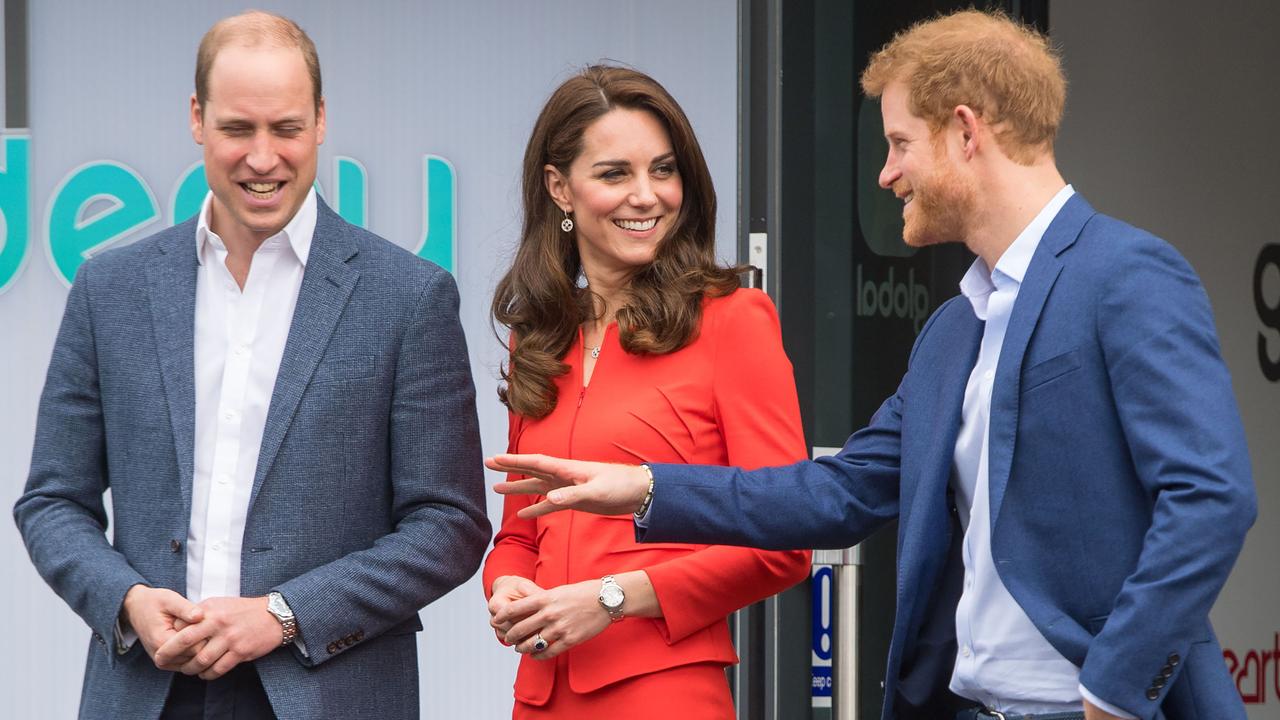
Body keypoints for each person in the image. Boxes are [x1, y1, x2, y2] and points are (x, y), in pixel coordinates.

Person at [487, 12, 1256, 720]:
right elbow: (841, 491)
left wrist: (1116, 688)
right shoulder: (955, 328)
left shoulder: (1127, 275)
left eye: (897, 143)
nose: (886, 175)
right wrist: (649, 488)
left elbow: (1211, 498)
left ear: (964, 132)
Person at [14, 11, 490, 720]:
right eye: (238, 129)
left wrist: (285, 613)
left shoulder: (408, 297)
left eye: (287, 129)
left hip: (330, 689)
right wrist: (128, 602)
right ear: (197, 119)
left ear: (322, 121)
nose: (263, 158)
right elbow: (51, 501)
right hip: (146, 692)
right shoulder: (109, 290)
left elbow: (449, 524)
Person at [482, 65, 811, 719]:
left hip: (664, 694)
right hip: (541, 696)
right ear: (560, 189)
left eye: (663, 170)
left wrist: (609, 597)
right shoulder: (541, 337)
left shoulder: (734, 320)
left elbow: (786, 540)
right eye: (614, 174)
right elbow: (520, 534)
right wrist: (508, 588)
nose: (647, 195)